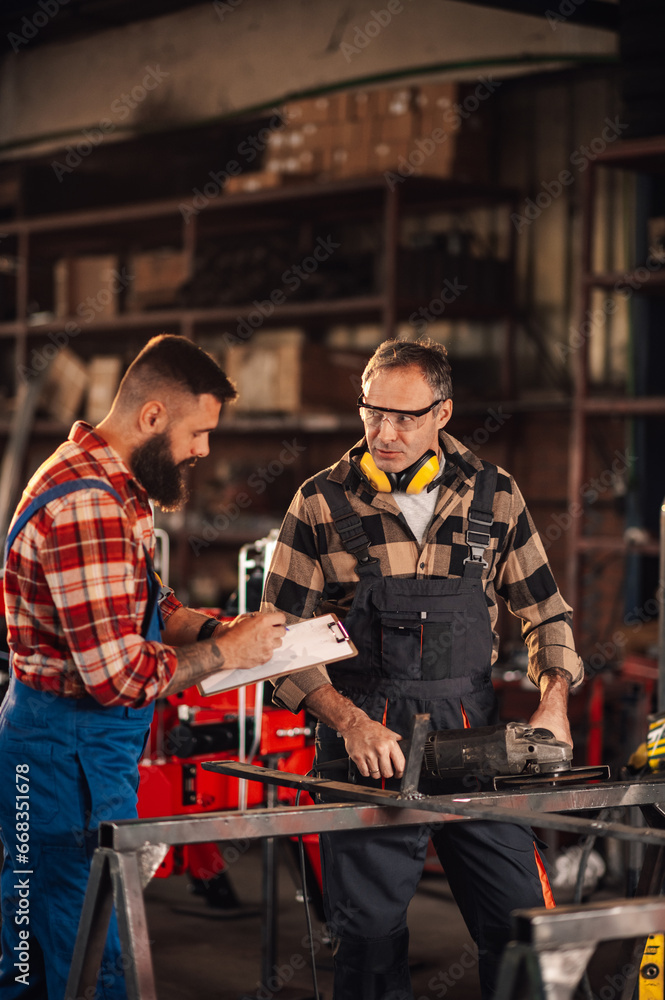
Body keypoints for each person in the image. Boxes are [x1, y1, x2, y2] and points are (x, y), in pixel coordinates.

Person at [262, 337, 584, 1000]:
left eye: (404, 417)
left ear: (442, 412)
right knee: (370, 941)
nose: (384, 433)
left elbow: (545, 613)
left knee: (525, 925)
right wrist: (347, 722)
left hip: (473, 734)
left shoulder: (494, 496)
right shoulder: (320, 502)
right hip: (365, 741)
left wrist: (552, 701)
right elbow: (280, 641)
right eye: (371, 412)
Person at [0, 334, 286, 1000]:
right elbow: (118, 677)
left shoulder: (108, 488)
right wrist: (227, 656)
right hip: (65, 757)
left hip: (57, 748)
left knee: (34, 946)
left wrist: (226, 628)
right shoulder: (90, 506)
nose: (202, 451)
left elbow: (150, 606)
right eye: (198, 432)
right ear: (153, 416)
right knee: (86, 959)